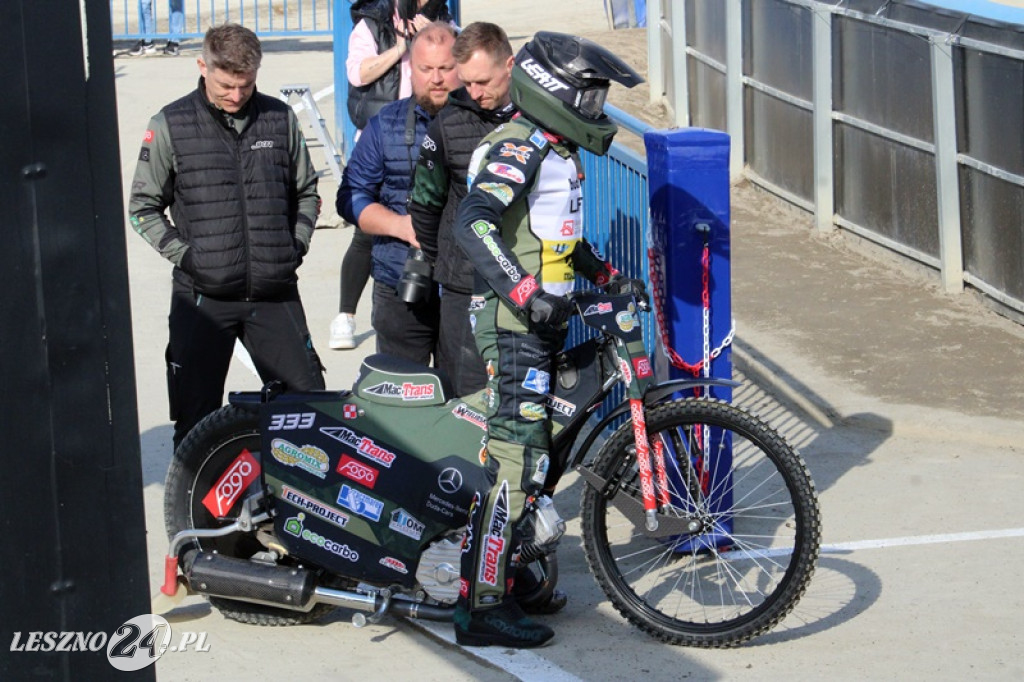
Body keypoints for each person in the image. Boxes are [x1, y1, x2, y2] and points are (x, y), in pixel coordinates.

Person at [452, 32, 645, 648]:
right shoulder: (520, 146)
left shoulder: (556, 147)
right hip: (513, 327)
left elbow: (559, 238)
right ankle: (481, 607)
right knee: (517, 460)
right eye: (589, 98)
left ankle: (514, 575)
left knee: (539, 454)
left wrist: (606, 277)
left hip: (539, 325)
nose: (596, 109)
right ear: (554, 91)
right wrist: (524, 291)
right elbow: (472, 223)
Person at [128, 23, 326, 450]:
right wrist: (188, 259)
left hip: (274, 292)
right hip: (202, 298)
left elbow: (308, 192)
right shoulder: (169, 125)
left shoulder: (279, 118)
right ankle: (195, 497)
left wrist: (295, 247)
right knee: (195, 425)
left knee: (310, 411)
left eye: (246, 85)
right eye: (226, 86)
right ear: (203, 67)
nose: (236, 95)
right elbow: (142, 208)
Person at [331, 0, 452, 350]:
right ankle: (345, 313)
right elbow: (358, 74)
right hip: (387, 135)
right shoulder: (373, 24)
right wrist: (401, 48)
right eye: (426, 67)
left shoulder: (444, 22)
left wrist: (433, 34)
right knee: (366, 236)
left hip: (434, 127)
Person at [408, 21, 517, 397]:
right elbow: (424, 205)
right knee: (467, 398)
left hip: (526, 283)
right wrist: (451, 261)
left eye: (483, 82)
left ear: (509, 66)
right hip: (464, 287)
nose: (475, 92)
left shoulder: (540, 120)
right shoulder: (446, 125)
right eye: (467, 83)